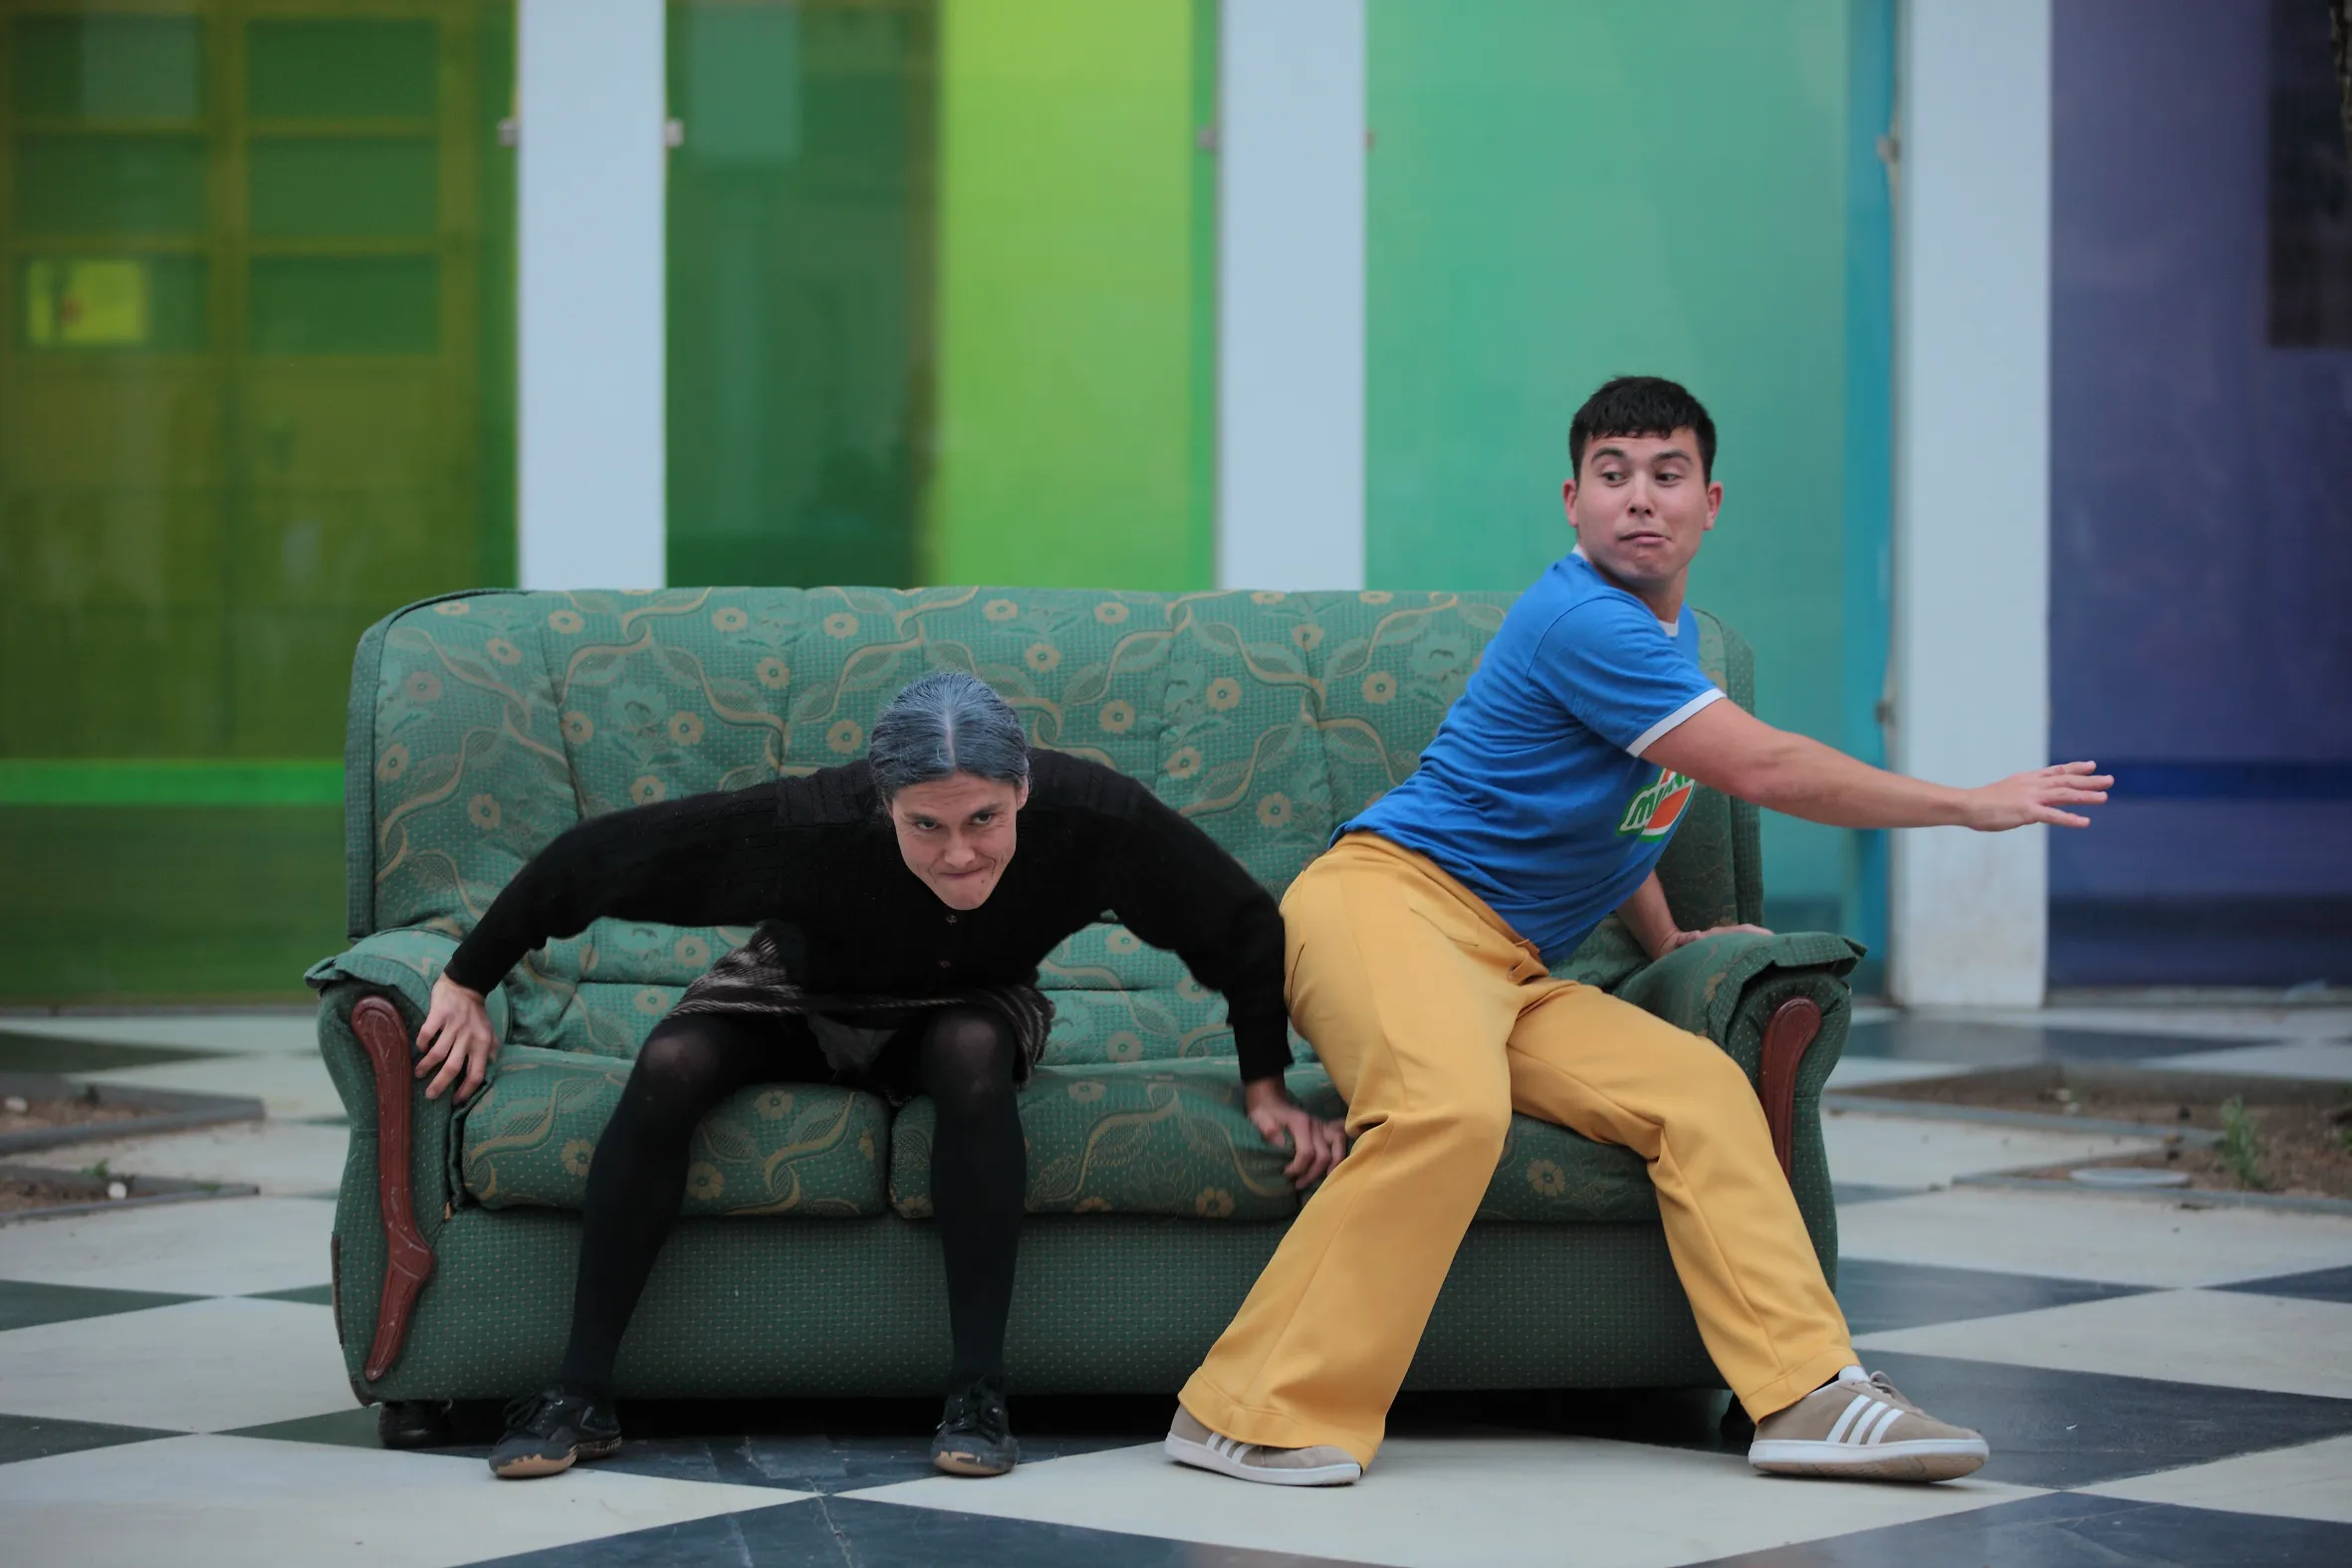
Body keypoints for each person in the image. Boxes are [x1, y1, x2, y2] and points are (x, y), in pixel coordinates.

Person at [1165, 376, 2111, 1487]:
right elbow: (1765, 769)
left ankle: (1806, 1394)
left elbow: (1629, 815)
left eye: (1667, 474)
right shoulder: (1583, 620)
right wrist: (1965, 805)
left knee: (1699, 1092)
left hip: (1504, 967)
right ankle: (1248, 1410)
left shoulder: (1671, 649)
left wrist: (1664, 944)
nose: (1640, 498)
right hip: (1385, 904)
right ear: (1574, 502)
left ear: (1711, 503)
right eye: (1611, 475)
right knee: (1444, 1111)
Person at [412, 670, 1346, 1480]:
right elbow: (594, 859)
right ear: (883, 801)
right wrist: (465, 978)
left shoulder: (1095, 819)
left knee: (973, 1055)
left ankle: (978, 1395)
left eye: (984, 819)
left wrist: (1265, 1082)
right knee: (670, 1060)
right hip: (799, 991)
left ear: (1022, 790)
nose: (959, 852)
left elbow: (1238, 923)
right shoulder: (808, 824)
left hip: (968, 1001)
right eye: (924, 825)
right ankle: (578, 1394)